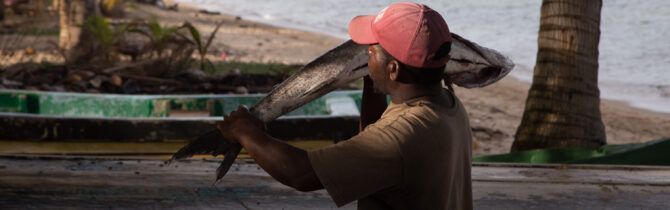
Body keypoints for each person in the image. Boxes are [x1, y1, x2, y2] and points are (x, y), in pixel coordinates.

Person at [217, 2, 473, 209]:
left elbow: (301, 174)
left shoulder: (401, 135)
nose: (365, 57)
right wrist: (373, 76)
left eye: (370, 52)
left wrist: (245, 131)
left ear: (393, 69)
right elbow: (377, 144)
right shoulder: (448, 105)